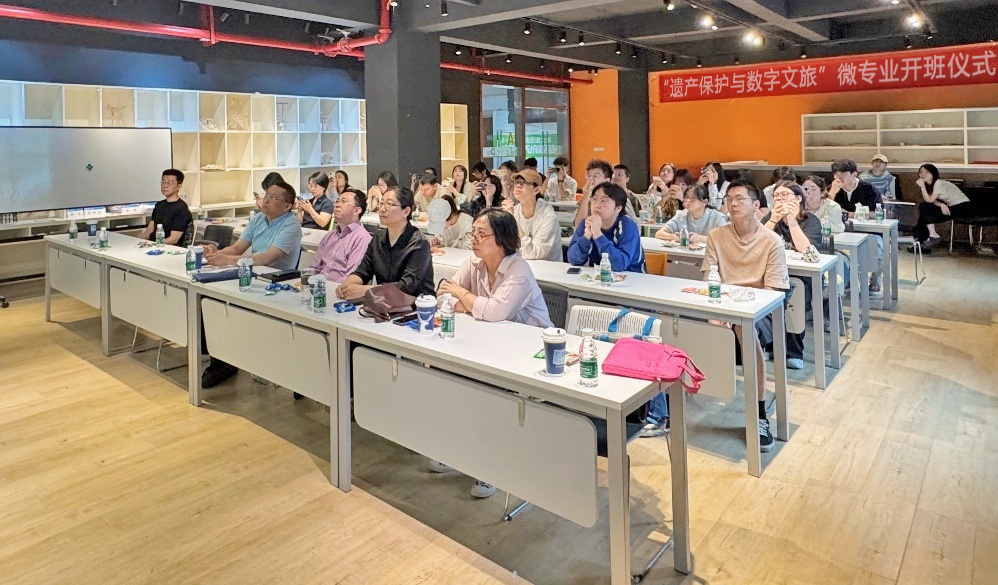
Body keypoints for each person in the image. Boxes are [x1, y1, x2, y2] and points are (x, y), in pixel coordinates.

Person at [432, 208, 554, 498]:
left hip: (530, 351)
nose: (473, 238)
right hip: (491, 342)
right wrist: (468, 303)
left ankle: (491, 467)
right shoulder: (473, 263)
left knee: (488, 392)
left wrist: (462, 296)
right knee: (452, 379)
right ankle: (459, 451)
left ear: (501, 239)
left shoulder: (518, 269)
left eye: (481, 234)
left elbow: (495, 312)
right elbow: (441, 298)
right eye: (473, 232)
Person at [701, 180, 790, 452]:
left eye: (740, 199)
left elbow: (772, 291)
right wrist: (718, 313)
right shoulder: (716, 236)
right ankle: (673, 404)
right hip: (723, 304)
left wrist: (738, 312)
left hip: (760, 308)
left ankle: (759, 413)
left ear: (756, 206)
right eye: (729, 199)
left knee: (744, 329)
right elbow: (708, 280)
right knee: (687, 324)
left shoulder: (772, 241)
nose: (733, 204)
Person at [200, 180, 304, 388]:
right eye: (267, 195)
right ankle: (220, 357)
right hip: (250, 274)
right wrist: (215, 254)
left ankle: (226, 360)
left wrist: (227, 260)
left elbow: (267, 258)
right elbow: (237, 248)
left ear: (287, 206)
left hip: (275, 282)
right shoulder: (258, 218)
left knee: (224, 301)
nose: (266, 200)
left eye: (273, 197)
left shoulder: (291, 226)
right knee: (208, 295)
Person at [336, 186, 435, 299]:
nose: (382, 209)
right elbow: (363, 271)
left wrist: (366, 290)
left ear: (406, 211)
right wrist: (347, 285)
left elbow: (406, 286)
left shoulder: (419, 242)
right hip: (383, 303)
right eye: (381, 203)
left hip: (418, 304)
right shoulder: (378, 238)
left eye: (389, 204)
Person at [763, 181, 822, 370]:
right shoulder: (770, 218)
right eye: (776, 196)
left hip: (802, 276)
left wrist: (792, 221)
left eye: (785, 195)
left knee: (794, 293)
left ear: (798, 198)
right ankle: (768, 344)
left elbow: (808, 252)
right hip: (773, 273)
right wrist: (773, 221)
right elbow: (757, 243)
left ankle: (794, 352)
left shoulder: (811, 221)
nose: (780, 200)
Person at [830, 159, 884, 296]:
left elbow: (876, 213)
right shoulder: (834, 190)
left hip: (869, 231)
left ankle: (875, 280)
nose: (839, 178)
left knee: (879, 252)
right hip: (844, 231)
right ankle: (847, 279)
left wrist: (848, 214)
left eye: (843, 174)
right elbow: (825, 208)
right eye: (836, 175)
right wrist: (832, 192)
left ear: (854, 174)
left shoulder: (868, 188)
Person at [567, 182, 644, 272]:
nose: (597, 205)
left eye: (604, 201)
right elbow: (573, 259)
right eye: (594, 199)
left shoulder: (628, 227)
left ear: (618, 208)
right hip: (598, 275)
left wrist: (598, 234)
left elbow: (619, 265)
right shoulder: (586, 223)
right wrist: (587, 236)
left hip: (631, 276)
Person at [309, 188, 372, 282]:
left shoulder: (362, 239)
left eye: (344, 202)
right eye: (337, 201)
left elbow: (351, 277)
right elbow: (314, 268)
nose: (337, 205)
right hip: (319, 286)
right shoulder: (329, 236)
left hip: (340, 288)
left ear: (356, 211)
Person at [501, 169, 562, 262]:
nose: (518, 186)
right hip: (520, 264)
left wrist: (513, 219)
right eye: (516, 182)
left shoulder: (548, 216)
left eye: (523, 183)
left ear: (536, 189)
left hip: (547, 267)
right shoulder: (514, 210)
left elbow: (533, 253)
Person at [912, 163, 972, 252]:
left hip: (963, 207)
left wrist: (922, 187)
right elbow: (931, 200)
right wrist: (941, 205)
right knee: (924, 212)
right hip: (953, 206)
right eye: (921, 172)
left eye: (927, 172)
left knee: (924, 210)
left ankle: (926, 239)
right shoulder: (930, 185)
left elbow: (929, 200)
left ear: (933, 174)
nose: (923, 174)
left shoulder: (938, 183)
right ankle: (924, 241)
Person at [654, 184, 728, 244]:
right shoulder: (681, 215)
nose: (688, 200)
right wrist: (675, 237)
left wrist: (701, 238)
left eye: (693, 198)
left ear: (705, 202)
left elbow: (727, 240)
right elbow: (659, 233)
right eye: (687, 197)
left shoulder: (718, 217)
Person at [574, 159, 636, 226]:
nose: (590, 179)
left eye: (596, 176)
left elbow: (635, 226)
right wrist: (585, 198)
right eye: (589, 176)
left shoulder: (619, 198)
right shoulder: (586, 199)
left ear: (607, 181)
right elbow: (578, 226)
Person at [139, 169, 192, 246]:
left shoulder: (181, 208)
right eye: (163, 182)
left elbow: (173, 239)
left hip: (169, 248)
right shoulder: (159, 205)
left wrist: (154, 246)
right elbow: (148, 232)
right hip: (154, 245)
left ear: (179, 186)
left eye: (170, 183)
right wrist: (136, 241)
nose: (165, 186)